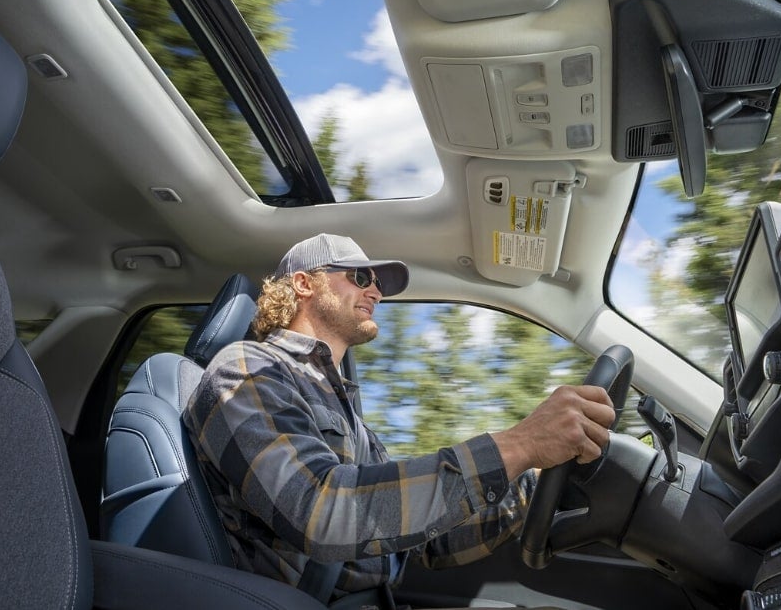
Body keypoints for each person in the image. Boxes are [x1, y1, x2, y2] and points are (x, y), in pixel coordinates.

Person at [184, 233, 615, 607]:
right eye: (360, 277)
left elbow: (426, 542)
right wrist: (519, 444)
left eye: (378, 283)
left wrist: (531, 481)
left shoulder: (347, 415)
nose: (376, 291)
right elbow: (319, 512)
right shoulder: (245, 371)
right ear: (303, 283)